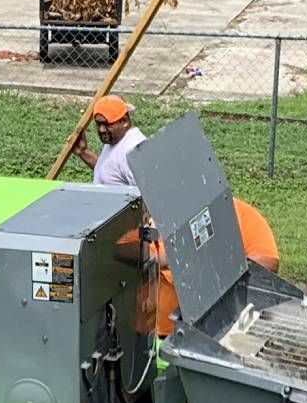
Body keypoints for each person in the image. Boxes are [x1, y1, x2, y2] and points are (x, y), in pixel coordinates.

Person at [72, 94, 280, 272]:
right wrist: (83, 153)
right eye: (97, 124)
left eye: (106, 124)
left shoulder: (132, 150)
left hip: (128, 229)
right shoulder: (116, 145)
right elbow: (111, 176)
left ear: (124, 121)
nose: (101, 130)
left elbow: (149, 195)